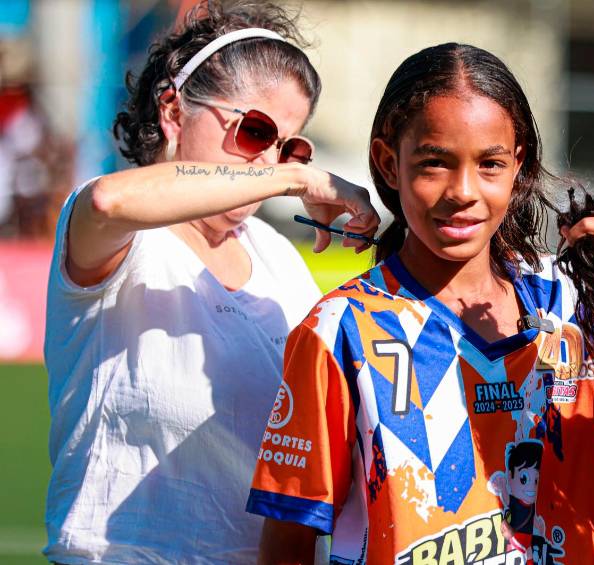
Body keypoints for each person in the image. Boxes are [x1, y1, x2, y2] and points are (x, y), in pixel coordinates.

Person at [247, 43, 594, 564]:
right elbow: (288, 545)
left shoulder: (572, 303)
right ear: (389, 163)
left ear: (518, 165)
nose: (464, 191)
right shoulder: (340, 331)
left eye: (490, 164)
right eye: (435, 162)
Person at [43, 2, 378, 563]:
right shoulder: (119, 227)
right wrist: (297, 176)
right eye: (256, 131)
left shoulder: (277, 258)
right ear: (173, 111)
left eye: (290, 145)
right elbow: (108, 200)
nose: (271, 161)